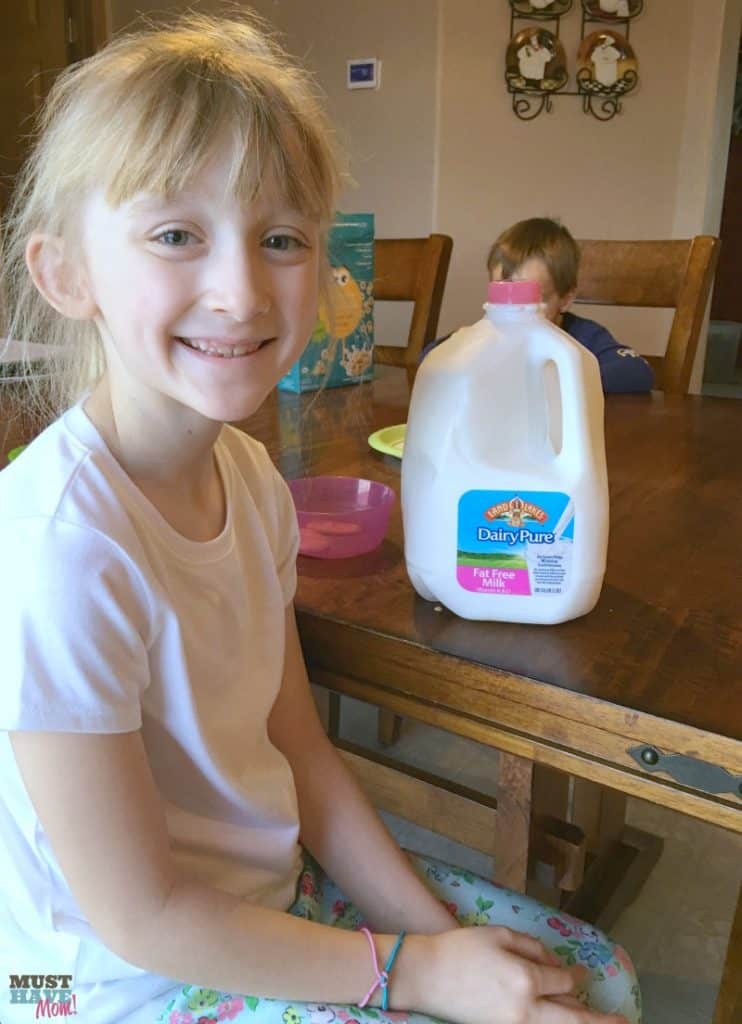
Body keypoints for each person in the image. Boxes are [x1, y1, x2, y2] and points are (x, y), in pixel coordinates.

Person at [0, 14, 640, 1024]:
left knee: (589, 980)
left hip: (262, 891)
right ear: (64, 273)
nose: (241, 288)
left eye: (281, 238)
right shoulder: (60, 550)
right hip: (98, 981)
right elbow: (142, 915)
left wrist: (432, 934)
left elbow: (298, 743)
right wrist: (416, 975)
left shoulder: (252, 480)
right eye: (176, 234)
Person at [422, 218, 654, 394]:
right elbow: (430, 355)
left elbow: (636, 371)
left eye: (533, 300)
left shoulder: (581, 337)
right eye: (505, 297)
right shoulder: (489, 335)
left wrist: (561, 380)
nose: (517, 312)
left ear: (566, 298)